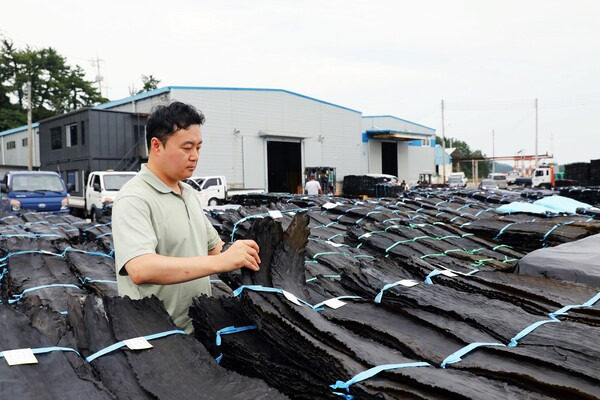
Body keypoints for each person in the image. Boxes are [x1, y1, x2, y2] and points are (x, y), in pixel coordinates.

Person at [112, 101, 260, 333]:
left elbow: (214, 248)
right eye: (187, 147)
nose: (194, 156)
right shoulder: (134, 198)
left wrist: (238, 252)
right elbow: (140, 269)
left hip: (199, 326)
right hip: (159, 336)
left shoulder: (188, 193)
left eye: (198, 148)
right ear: (157, 145)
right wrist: (220, 262)